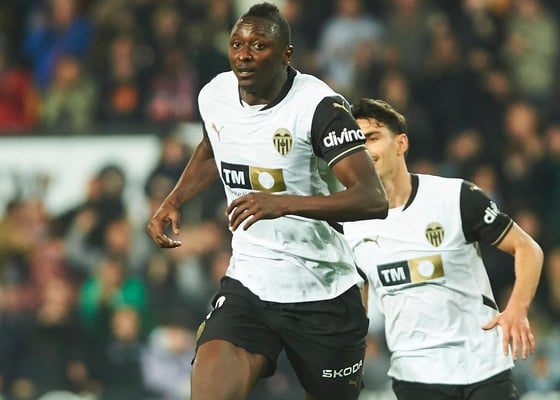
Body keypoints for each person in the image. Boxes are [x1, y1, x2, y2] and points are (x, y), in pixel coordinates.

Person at [146, 3, 388, 400]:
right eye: (237, 44)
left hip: (323, 291)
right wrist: (174, 199)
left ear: (286, 54)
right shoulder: (215, 94)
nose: (244, 55)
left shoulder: (319, 107)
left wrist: (284, 203)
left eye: (259, 45)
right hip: (250, 285)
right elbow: (213, 145)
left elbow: (372, 198)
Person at [343, 98, 544, 400]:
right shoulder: (351, 226)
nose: (365, 150)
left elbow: (527, 248)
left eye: (372, 138)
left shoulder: (454, 197)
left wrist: (518, 308)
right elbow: (358, 304)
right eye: (357, 144)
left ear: (400, 144)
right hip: (415, 376)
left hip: (482, 367)